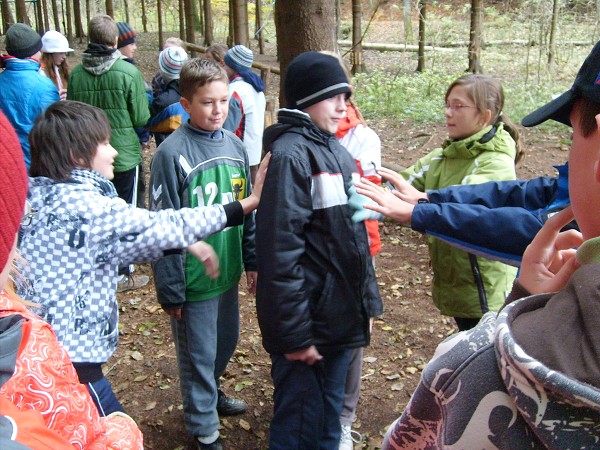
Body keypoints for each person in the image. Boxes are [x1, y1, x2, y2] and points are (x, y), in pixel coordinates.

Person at [381, 39, 600, 449]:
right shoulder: (450, 152)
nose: (448, 112)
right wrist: (429, 201)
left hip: (485, 294)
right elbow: (524, 194)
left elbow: (529, 224)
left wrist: (421, 213)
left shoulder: (480, 370)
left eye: (573, 137)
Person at [18, 100, 268, 420]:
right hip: (72, 364)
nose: (115, 153)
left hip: (31, 352)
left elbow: (143, 237)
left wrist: (184, 241)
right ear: (76, 156)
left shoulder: (32, 197)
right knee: (112, 432)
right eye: (105, 144)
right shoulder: (92, 210)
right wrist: (246, 204)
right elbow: (164, 225)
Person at [255, 51, 381, 450]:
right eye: (331, 96)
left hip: (338, 322)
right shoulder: (292, 155)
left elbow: (352, 243)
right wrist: (294, 336)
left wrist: (364, 305)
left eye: (345, 95)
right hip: (310, 331)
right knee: (299, 427)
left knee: (327, 424)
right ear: (303, 100)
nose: (342, 105)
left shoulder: (335, 151)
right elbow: (279, 255)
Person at [0, 109, 144, 449]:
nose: (115, 151)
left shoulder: (37, 201)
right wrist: (122, 428)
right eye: (11, 245)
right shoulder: (27, 348)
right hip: (79, 364)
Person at [150, 58, 258, 450]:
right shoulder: (171, 154)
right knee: (197, 354)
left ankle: (209, 395)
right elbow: (161, 226)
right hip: (193, 279)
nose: (218, 111)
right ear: (185, 103)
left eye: (224, 101)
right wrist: (171, 287)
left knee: (224, 343)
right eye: (207, 103)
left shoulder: (235, 145)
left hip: (225, 270)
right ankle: (203, 428)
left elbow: (248, 207)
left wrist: (253, 259)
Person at [380, 74, 523, 331]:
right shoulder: (441, 157)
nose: (448, 113)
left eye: (458, 106)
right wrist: (365, 197)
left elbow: (461, 210)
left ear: (485, 116)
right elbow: (399, 185)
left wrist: (414, 209)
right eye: (447, 105)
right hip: (458, 278)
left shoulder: (494, 162)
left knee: (485, 351)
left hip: (485, 286)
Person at [67, 14, 151, 290]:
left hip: (89, 154)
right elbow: (140, 116)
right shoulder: (129, 72)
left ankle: (96, 263)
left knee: (95, 209)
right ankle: (122, 272)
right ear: (115, 40)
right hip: (124, 153)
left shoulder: (77, 73)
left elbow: (74, 113)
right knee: (125, 209)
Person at [328, 52, 382, 450]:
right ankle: (319, 408)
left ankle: (343, 418)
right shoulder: (293, 132)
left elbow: (368, 203)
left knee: (351, 334)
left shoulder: (362, 137)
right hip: (312, 253)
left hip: (355, 251)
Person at [0, 23, 60, 169]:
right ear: (34, 51)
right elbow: (54, 132)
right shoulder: (44, 86)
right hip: (33, 164)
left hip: (5, 162)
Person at [223, 45, 266, 183]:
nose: (223, 68)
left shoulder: (235, 91)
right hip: (254, 151)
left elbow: (229, 127)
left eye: (225, 65)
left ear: (232, 66)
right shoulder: (256, 89)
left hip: (239, 155)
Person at [146, 45, 189, 146]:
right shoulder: (196, 91)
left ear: (162, 69)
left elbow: (148, 123)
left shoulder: (162, 101)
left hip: (169, 149)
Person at [39, 29, 73, 101]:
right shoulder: (40, 73)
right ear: (50, 54)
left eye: (65, 53)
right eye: (61, 53)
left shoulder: (59, 69)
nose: (64, 56)